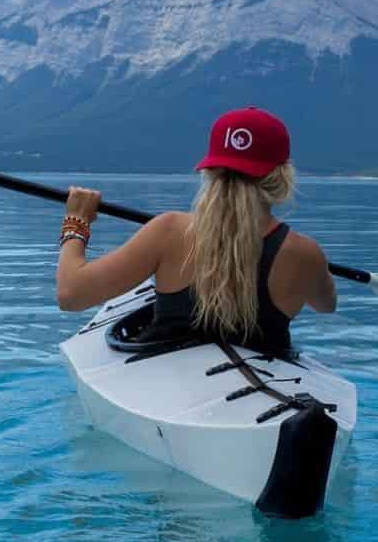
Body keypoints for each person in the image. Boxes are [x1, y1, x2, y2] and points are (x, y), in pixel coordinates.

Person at [54, 106, 336, 357]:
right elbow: (326, 305)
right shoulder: (304, 253)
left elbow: (71, 294)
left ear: (210, 170)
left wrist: (76, 223)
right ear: (282, 177)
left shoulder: (170, 231)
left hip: (165, 382)